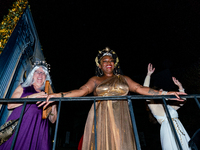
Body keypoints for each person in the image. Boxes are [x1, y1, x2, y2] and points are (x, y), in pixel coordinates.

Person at [43, 47, 185, 150]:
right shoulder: (95, 80)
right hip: (101, 116)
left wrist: (165, 94)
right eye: (105, 61)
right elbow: (81, 91)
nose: (108, 62)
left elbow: (140, 89)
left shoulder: (124, 78)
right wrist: (58, 95)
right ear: (99, 65)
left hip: (121, 116)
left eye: (111, 60)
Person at [0, 61, 57, 150]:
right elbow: (10, 105)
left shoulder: (47, 93)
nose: (40, 74)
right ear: (32, 75)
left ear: (46, 77)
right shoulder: (23, 87)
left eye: (43, 73)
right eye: (37, 71)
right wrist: (33, 96)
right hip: (22, 127)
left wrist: (54, 102)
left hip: (39, 131)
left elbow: (53, 120)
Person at [144, 63, 191, 150]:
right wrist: (148, 75)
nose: (163, 91)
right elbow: (145, 91)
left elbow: (183, 101)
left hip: (180, 128)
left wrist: (180, 86)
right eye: (160, 91)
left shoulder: (170, 107)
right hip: (168, 131)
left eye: (163, 90)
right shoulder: (155, 107)